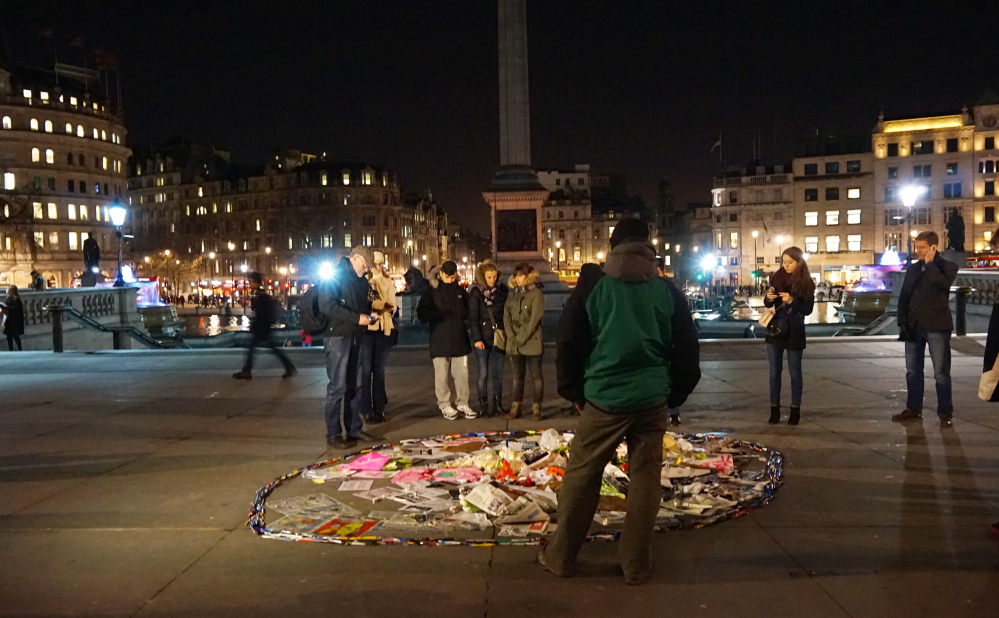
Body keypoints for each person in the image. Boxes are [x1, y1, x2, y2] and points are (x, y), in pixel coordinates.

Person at [541, 219, 700, 585]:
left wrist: (575, 393)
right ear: (648, 247)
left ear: (613, 247)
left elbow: (567, 343)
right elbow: (688, 349)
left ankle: (561, 556)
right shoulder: (666, 291)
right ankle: (635, 564)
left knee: (583, 474)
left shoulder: (594, 287)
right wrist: (672, 394)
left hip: (604, 398)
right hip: (651, 398)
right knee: (645, 478)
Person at [893, 231, 959, 428]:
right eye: (917, 247)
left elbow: (942, 285)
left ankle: (945, 412)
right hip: (914, 326)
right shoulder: (913, 269)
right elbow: (904, 295)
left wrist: (930, 264)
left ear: (933, 247)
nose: (918, 251)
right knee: (913, 370)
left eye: (922, 248)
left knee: (941, 372)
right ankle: (913, 409)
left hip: (937, 327)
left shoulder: (947, 267)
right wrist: (902, 321)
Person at [319, 246, 380, 448]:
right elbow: (327, 305)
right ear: (354, 259)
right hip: (338, 336)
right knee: (338, 386)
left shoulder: (361, 281)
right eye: (365, 264)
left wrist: (369, 316)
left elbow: (365, 304)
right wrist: (358, 317)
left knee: (356, 385)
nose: (366, 269)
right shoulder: (336, 276)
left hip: (356, 335)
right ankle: (333, 433)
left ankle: (354, 428)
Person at [417, 260, 476, 420]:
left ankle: (462, 402)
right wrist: (437, 314)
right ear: (441, 273)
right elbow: (421, 313)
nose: (450, 280)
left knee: (462, 373)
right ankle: (444, 404)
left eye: (452, 277)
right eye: (447, 276)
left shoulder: (460, 291)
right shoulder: (431, 291)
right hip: (440, 337)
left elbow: (468, 311)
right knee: (441, 376)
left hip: (458, 337)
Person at [764, 247, 815, 425]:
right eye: (784, 262)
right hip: (776, 328)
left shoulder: (807, 282)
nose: (785, 265)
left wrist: (793, 300)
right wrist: (769, 297)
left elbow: (808, 309)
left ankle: (795, 410)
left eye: (790, 262)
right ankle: (774, 410)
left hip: (794, 330)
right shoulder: (776, 277)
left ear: (799, 262)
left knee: (795, 372)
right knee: (774, 372)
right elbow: (767, 302)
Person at [233, 272, 296, 380]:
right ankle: (288, 366)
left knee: (255, 348)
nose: (249, 284)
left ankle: (247, 371)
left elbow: (262, 313)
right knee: (268, 348)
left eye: (250, 282)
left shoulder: (261, 296)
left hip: (261, 327)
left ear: (255, 282)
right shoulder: (261, 295)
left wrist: (258, 324)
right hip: (263, 327)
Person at [359, 250, 397, 424]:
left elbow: (393, 304)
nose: (379, 267)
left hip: (383, 328)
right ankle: (366, 409)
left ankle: (379, 408)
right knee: (366, 371)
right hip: (368, 329)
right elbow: (363, 304)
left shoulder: (387, 281)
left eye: (381, 264)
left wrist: (388, 307)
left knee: (379, 371)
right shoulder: (364, 282)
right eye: (376, 264)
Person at [467, 260, 509, 416]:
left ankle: (497, 404)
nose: (492, 280)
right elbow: (473, 317)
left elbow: (507, 313)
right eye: (489, 277)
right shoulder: (476, 292)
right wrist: (477, 338)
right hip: (482, 339)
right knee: (483, 373)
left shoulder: (503, 291)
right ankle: (483, 405)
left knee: (498, 372)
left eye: (494, 276)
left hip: (499, 337)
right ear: (483, 277)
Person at [505, 263, 545, 420]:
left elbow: (535, 319)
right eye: (516, 275)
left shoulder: (536, 294)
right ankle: (516, 405)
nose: (517, 278)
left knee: (536, 376)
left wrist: (520, 338)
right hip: (515, 344)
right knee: (517, 377)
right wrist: (511, 335)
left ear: (528, 276)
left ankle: (537, 407)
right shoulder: (512, 294)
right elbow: (506, 315)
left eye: (521, 275)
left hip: (532, 342)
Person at [1, 285, 25, 351]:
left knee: (12, 336)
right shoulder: (16, 298)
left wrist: (4, 306)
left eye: (7, 289)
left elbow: (11, 308)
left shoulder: (11, 298)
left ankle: (12, 349)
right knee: (14, 336)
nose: (6, 290)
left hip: (11, 320)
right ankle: (18, 349)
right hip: (14, 320)